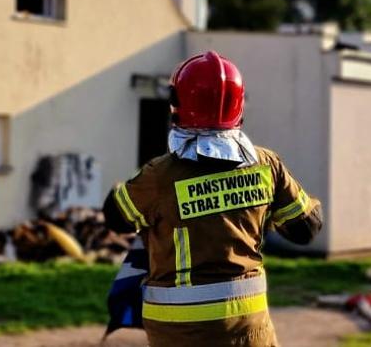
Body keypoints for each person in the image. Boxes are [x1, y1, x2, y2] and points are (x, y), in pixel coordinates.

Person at [102, 51, 324, 346]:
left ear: (176, 105)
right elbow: (306, 229)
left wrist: (122, 188)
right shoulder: (266, 165)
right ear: (239, 106)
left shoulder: (160, 176)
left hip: (180, 334)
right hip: (250, 329)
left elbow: (116, 217)